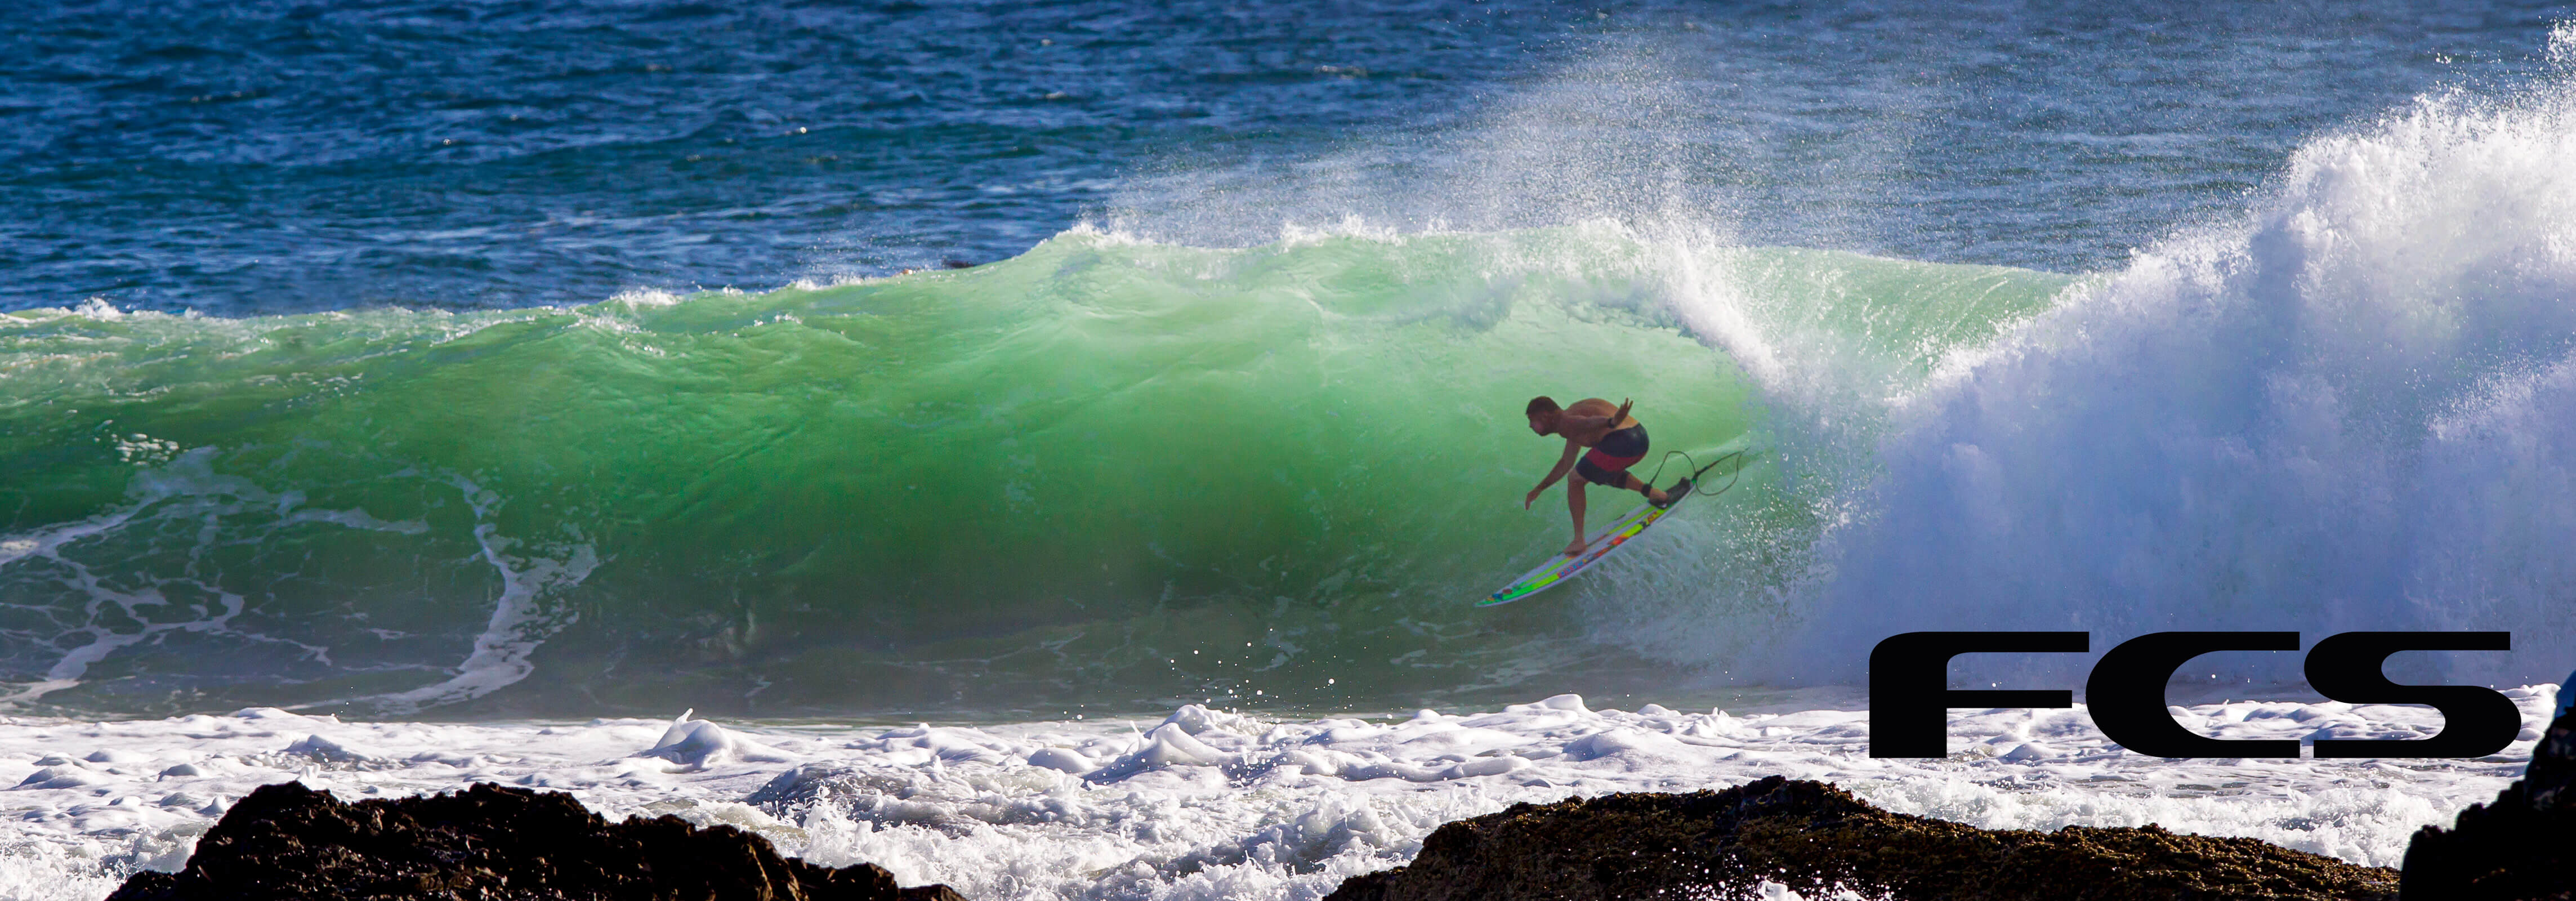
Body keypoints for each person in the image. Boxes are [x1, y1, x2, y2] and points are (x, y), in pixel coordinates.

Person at [1523, 395, 1678, 556]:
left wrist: (1611, 422)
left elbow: (1587, 423)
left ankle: (1579, 540)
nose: (1530, 426)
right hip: (1640, 438)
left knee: (1575, 479)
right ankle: (1655, 494)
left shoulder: (1566, 422)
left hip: (1623, 440)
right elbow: (1565, 463)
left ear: (1545, 416)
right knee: (1601, 470)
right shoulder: (1571, 417)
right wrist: (1539, 488)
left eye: (1532, 421)